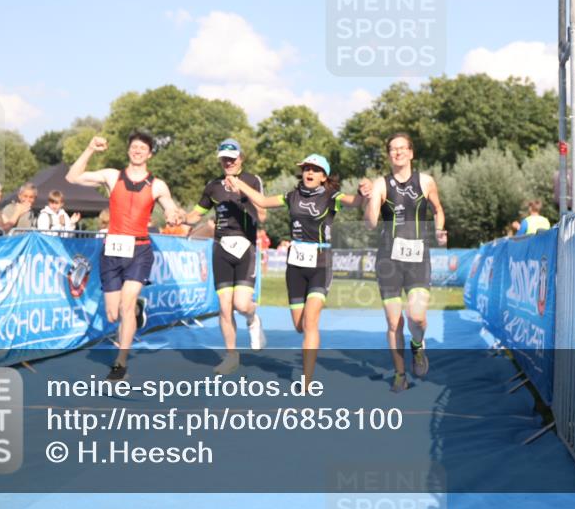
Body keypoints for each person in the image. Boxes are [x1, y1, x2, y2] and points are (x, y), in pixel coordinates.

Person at [227, 154, 371, 385]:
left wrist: (366, 191)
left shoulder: (331, 196)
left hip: (321, 264)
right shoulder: (291, 196)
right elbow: (262, 202)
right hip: (294, 266)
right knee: (299, 326)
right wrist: (238, 182)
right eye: (306, 169)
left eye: (315, 170)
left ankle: (307, 379)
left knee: (311, 321)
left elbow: (356, 202)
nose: (309, 173)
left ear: (323, 177)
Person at [66, 131, 182, 381]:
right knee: (112, 313)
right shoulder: (111, 176)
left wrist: (172, 214)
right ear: (129, 151)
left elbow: (170, 206)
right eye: (134, 147)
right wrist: (89, 149)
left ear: (150, 154)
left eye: (143, 148)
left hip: (139, 251)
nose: (138, 151)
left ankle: (120, 364)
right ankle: (137, 310)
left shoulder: (157, 184)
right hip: (112, 251)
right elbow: (72, 177)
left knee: (125, 306)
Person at [365, 133, 446, 393]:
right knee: (393, 322)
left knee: (417, 317)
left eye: (402, 148)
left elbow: (437, 210)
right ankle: (400, 374)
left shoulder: (425, 181)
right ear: (388, 155)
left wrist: (440, 230)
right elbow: (371, 223)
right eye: (392, 149)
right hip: (388, 259)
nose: (397, 153)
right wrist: (368, 200)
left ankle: (418, 346)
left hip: (417, 258)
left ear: (411, 153)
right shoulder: (380, 184)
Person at [180, 139, 268, 375]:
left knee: (241, 304)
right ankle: (231, 355)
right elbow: (195, 215)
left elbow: (263, 216)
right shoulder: (212, 186)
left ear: (241, 158)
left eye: (233, 157)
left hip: (245, 247)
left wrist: (243, 192)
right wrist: (180, 216)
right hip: (221, 248)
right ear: (220, 159)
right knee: (224, 307)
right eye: (224, 158)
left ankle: (252, 317)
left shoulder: (252, 180)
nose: (228, 162)